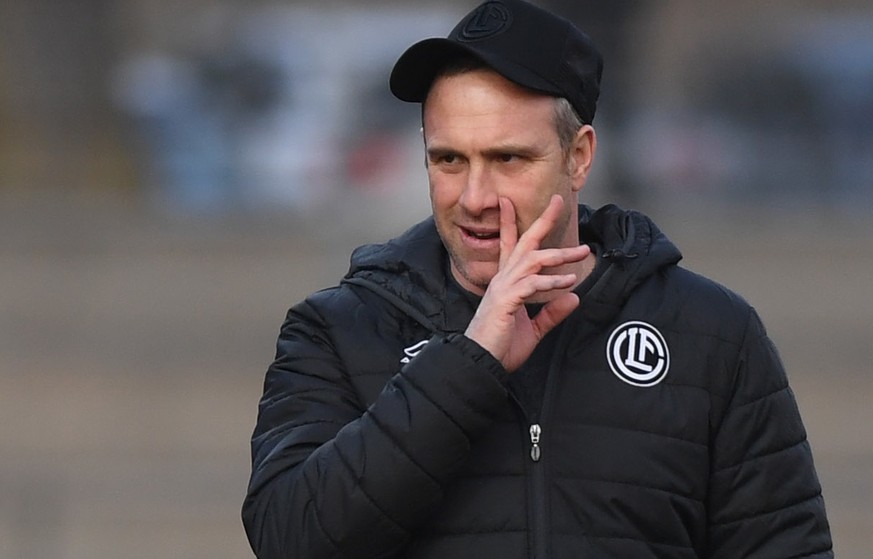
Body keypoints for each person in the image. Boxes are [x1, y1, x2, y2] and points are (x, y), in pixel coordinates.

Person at [242, 1, 833, 557]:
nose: (473, 198)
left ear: (579, 158)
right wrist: (468, 363)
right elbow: (288, 538)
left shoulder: (711, 335)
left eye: (508, 160)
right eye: (449, 159)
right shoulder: (337, 331)